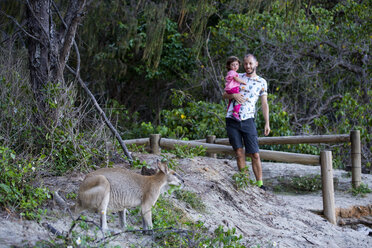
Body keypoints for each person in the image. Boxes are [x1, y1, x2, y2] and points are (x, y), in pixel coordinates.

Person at [223, 54, 270, 190]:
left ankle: (260, 184)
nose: (248, 66)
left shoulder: (261, 82)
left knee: (254, 153)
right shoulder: (237, 76)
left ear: (256, 64)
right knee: (239, 152)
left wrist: (267, 122)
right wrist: (233, 95)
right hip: (232, 118)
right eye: (245, 64)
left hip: (248, 119)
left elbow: (264, 103)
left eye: (250, 63)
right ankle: (244, 182)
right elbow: (224, 94)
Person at [224, 56, 247, 121]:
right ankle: (235, 113)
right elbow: (236, 78)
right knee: (239, 99)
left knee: (231, 100)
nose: (235, 66)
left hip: (229, 89)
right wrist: (243, 82)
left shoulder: (230, 72)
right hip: (233, 88)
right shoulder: (233, 72)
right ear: (229, 66)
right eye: (233, 65)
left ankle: (229, 110)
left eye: (236, 64)